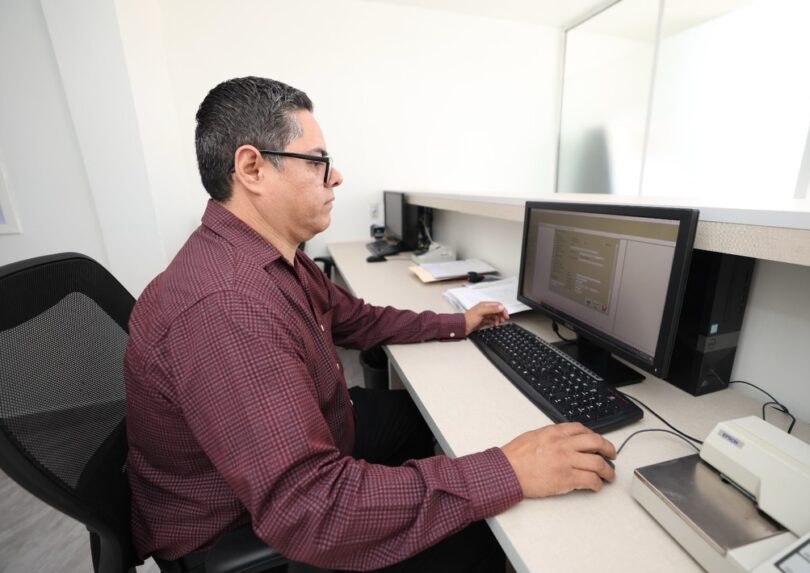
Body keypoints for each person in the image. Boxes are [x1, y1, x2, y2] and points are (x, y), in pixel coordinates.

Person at [124, 76, 617, 572]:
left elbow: (358, 320)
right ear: (252, 168)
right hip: (239, 527)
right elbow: (311, 509)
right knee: (481, 538)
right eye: (317, 161)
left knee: (421, 422)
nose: (335, 177)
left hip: (306, 447)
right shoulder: (228, 306)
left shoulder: (272, 257)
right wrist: (507, 471)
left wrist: (456, 322)